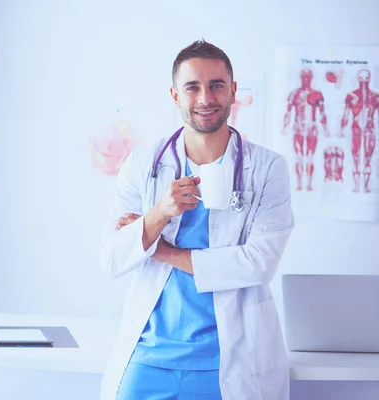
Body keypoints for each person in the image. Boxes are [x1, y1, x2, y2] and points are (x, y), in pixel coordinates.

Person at [98, 40, 294, 400]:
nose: (206, 98)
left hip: (229, 360)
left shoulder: (267, 169)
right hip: (149, 357)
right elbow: (112, 259)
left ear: (233, 91)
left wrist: (163, 252)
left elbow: (258, 264)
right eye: (193, 87)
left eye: (216, 85)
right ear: (175, 95)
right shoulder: (144, 165)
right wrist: (161, 212)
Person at [282, 68, 330, 192]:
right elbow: (288, 112)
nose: (306, 79)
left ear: (311, 78)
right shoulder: (294, 94)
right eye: (304, 76)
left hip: (312, 128)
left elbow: (322, 113)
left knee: (309, 157)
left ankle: (308, 183)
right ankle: (298, 183)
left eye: (308, 76)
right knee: (298, 156)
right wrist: (284, 127)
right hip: (298, 128)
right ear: (301, 77)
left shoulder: (317, 94)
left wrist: (325, 128)